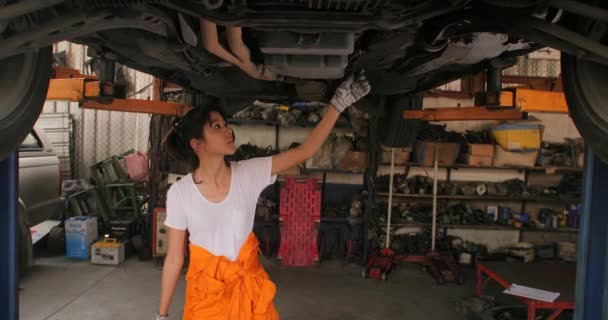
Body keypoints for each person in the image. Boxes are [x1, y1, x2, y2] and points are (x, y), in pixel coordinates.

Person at [156, 72, 370, 320]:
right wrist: (161, 315)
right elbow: (174, 259)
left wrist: (338, 105)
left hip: (250, 295)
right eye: (216, 126)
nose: (228, 131)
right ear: (197, 144)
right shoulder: (180, 193)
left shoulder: (248, 173)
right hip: (207, 300)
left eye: (226, 124)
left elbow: (304, 151)